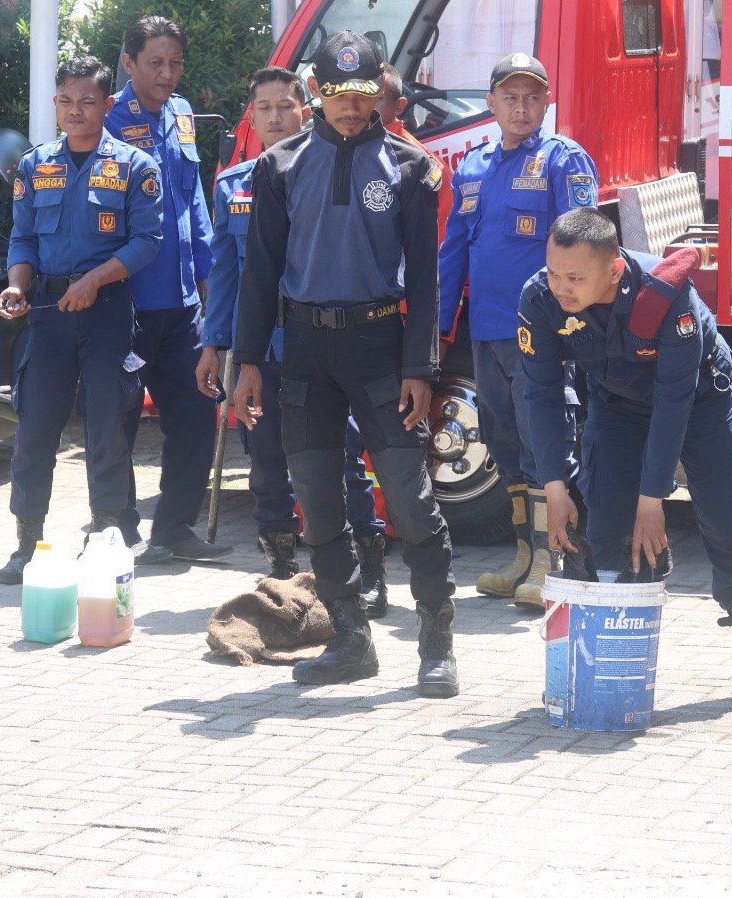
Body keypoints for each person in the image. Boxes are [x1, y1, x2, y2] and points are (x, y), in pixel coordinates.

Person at [231, 31, 459, 697]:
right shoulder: (277, 167)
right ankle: (352, 640)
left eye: (362, 96)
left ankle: (437, 643)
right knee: (319, 506)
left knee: (412, 505)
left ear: (379, 93)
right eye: (338, 95)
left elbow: (426, 279)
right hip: (304, 350)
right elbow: (260, 273)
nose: (351, 108)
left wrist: (421, 365)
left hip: (382, 349)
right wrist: (247, 360)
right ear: (316, 96)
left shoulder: (411, 169)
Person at [518, 208, 732, 711]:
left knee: (726, 516)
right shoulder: (540, 298)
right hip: (617, 404)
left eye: (575, 278)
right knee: (605, 525)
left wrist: (654, 499)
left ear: (615, 268)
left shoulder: (666, 300)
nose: (560, 287)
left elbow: (674, 403)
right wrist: (553, 490)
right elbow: (541, 395)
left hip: (699, 401)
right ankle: (608, 665)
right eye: (554, 272)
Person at [199, 66, 392, 613]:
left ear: (305, 112)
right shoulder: (231, 186)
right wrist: (215, 344)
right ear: (252, 117)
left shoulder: (326, 169)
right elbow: (227, 275)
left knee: (346, 457)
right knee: (264, 461)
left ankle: (368, 571)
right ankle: (282, 576)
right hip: (261, 353)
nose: (277, 117)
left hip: (323, 344)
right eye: (265, 108)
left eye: (287, 106)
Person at [0, 55, 163, 584]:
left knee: (107, 425)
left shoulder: (137, 166)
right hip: (47, 315)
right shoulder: (33, 165)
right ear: (55, 103)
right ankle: (27, 543)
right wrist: (16, 286)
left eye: (87, 101)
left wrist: (94, 281)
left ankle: (107, 532)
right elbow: (22, 237)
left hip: (107, 312)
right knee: (35, 429)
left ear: (107, 104)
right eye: (66, 100)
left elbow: (147, 242)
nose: (76, 110)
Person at [437, 53, 597, 609]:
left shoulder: (563, 161)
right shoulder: (474, 166)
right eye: (511, 96)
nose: (521, 106)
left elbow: (584, 247)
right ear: (491, 104)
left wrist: (571, 321)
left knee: (546, 442)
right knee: (504, 444)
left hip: (542, 332)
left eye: (532, 96)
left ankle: (556, 559)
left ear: (547, 102)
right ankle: (524, 557)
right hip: (486, 329)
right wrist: (438, 326)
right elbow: (455, 247)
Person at [105, 14, 230, 564]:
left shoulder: (181, 115)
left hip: (183, 303)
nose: (168, 73)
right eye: (155, 62)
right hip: (127, 300)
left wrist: (210, 282)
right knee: (117, 421)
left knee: (197, 414)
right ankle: (118, 529)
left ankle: (173, 528)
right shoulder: (104, 117)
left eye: (175, 62)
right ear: (128, 64)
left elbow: (194, 201)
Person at [375, 64, 452, 228]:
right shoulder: (339, 146)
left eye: (377, 99)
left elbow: (438, 237)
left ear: (399, 106)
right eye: (361, 97)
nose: (365, 106)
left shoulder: (421, 164)